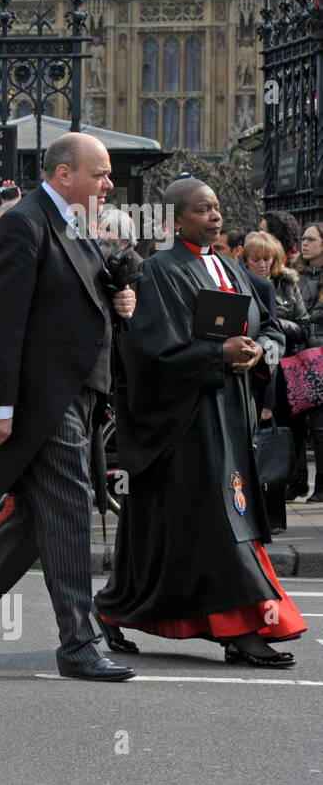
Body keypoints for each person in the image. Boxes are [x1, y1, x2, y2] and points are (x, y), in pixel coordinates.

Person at [0, 132, 137, 682]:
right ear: (63, 174)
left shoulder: (74, 221)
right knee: (71, 512)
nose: (109, 183)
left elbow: (77, 298)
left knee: (37, 517)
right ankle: (78, 645)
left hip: (78, 393)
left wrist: (119, 298)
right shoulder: (22, 224)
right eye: (100, 174)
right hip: (41, 399)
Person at [96, 178, 305, 667]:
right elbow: (147, 354)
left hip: (230, 413)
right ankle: (241, 630)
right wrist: (218, 354)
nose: (215, 217)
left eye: (216, 209)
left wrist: (258, 351)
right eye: (203, 209)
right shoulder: (157, 272)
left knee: (195, 526)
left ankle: (116, 605)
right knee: (217, 522)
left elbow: (267, 324)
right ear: (173, 220)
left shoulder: (229, 265)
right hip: (187, 423)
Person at [244, 230, 310, 526]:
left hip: (283, 372)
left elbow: (304, 328)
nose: (261, 264)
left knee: (278, 439)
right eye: (255, 259)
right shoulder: (242, 283)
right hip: (256, 371)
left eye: (266, 258)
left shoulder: (285, 285)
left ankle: (275, 511)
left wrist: (275, 325)